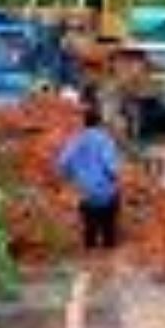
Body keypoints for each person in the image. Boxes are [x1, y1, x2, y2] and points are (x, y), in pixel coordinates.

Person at [57, 106, 122, 250]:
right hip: (106, 193)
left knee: (89, 233)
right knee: (109, 234)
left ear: (84, 122)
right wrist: (117, 180)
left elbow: (62, 163)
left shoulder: (76, 140)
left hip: (85, 194)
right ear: (100, 123)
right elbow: (111, 167)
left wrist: (72, 177)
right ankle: (108, 259)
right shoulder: (105, 140)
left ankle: (90, 256)